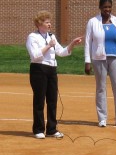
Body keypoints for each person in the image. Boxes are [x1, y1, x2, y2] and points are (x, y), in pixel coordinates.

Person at [26, 10, 82, 139]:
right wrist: (48, 46)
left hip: (51, 70)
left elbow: (61, 52)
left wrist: (72, 43)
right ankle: (38, 129)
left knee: (52, 100)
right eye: (47, 22)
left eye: (50, 22)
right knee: (39, 100)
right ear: (39, 24)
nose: (50, 24)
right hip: (38, 69)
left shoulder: (51, 36)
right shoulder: (32, 37)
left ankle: (51, 129)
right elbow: (35, 56)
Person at [84, 0, 116, 128]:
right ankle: (102, 118)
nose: (107, 9)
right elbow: (88, 42)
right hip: (99, 58)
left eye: (109, 7)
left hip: (115, 58)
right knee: (101, 88)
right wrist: (87, 61)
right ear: (100, 8)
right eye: (104, 7)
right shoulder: (93, 22)